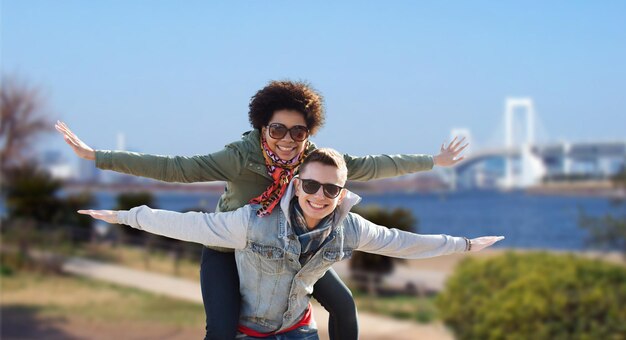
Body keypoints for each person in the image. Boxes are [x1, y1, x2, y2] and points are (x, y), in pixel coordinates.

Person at [57, 80, 468, 340]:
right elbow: (176, 169)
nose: (288, 140)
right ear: (262, 128)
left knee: (344, 306)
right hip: (231, 242)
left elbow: (375, 164)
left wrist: (433, 160)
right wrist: (97, 156)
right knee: (220, 329)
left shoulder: (315, 160)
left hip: (288, 247)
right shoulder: (239, 156)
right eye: (278, 129)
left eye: (298, 131)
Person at [79, 148, 503, 339]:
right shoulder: (252, 221)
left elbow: (402, 242)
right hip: (248, 332)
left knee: (345, 303)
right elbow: (190, 224)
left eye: (331, 190)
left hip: (299, 332)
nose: (320, 195)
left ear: (342, 191)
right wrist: (124, 216)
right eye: (312, 186)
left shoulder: (349, 227)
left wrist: (463, 245)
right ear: (296, 184)